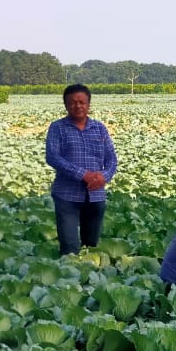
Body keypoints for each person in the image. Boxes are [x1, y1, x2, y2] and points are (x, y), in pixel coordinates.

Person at [45, 84, 118, 256]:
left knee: (91, 245)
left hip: (96, 195)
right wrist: (82, 174)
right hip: (67, 195)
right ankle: (69, 279)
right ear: (66, 105)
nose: (78, 106)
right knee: (69, 246)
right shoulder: (58, 128)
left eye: (82, 102)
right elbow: (53, 157)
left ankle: (89, 280)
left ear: (88, 104)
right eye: (72, 102)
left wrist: (104, 177)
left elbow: (112, 159)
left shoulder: (99, 128)